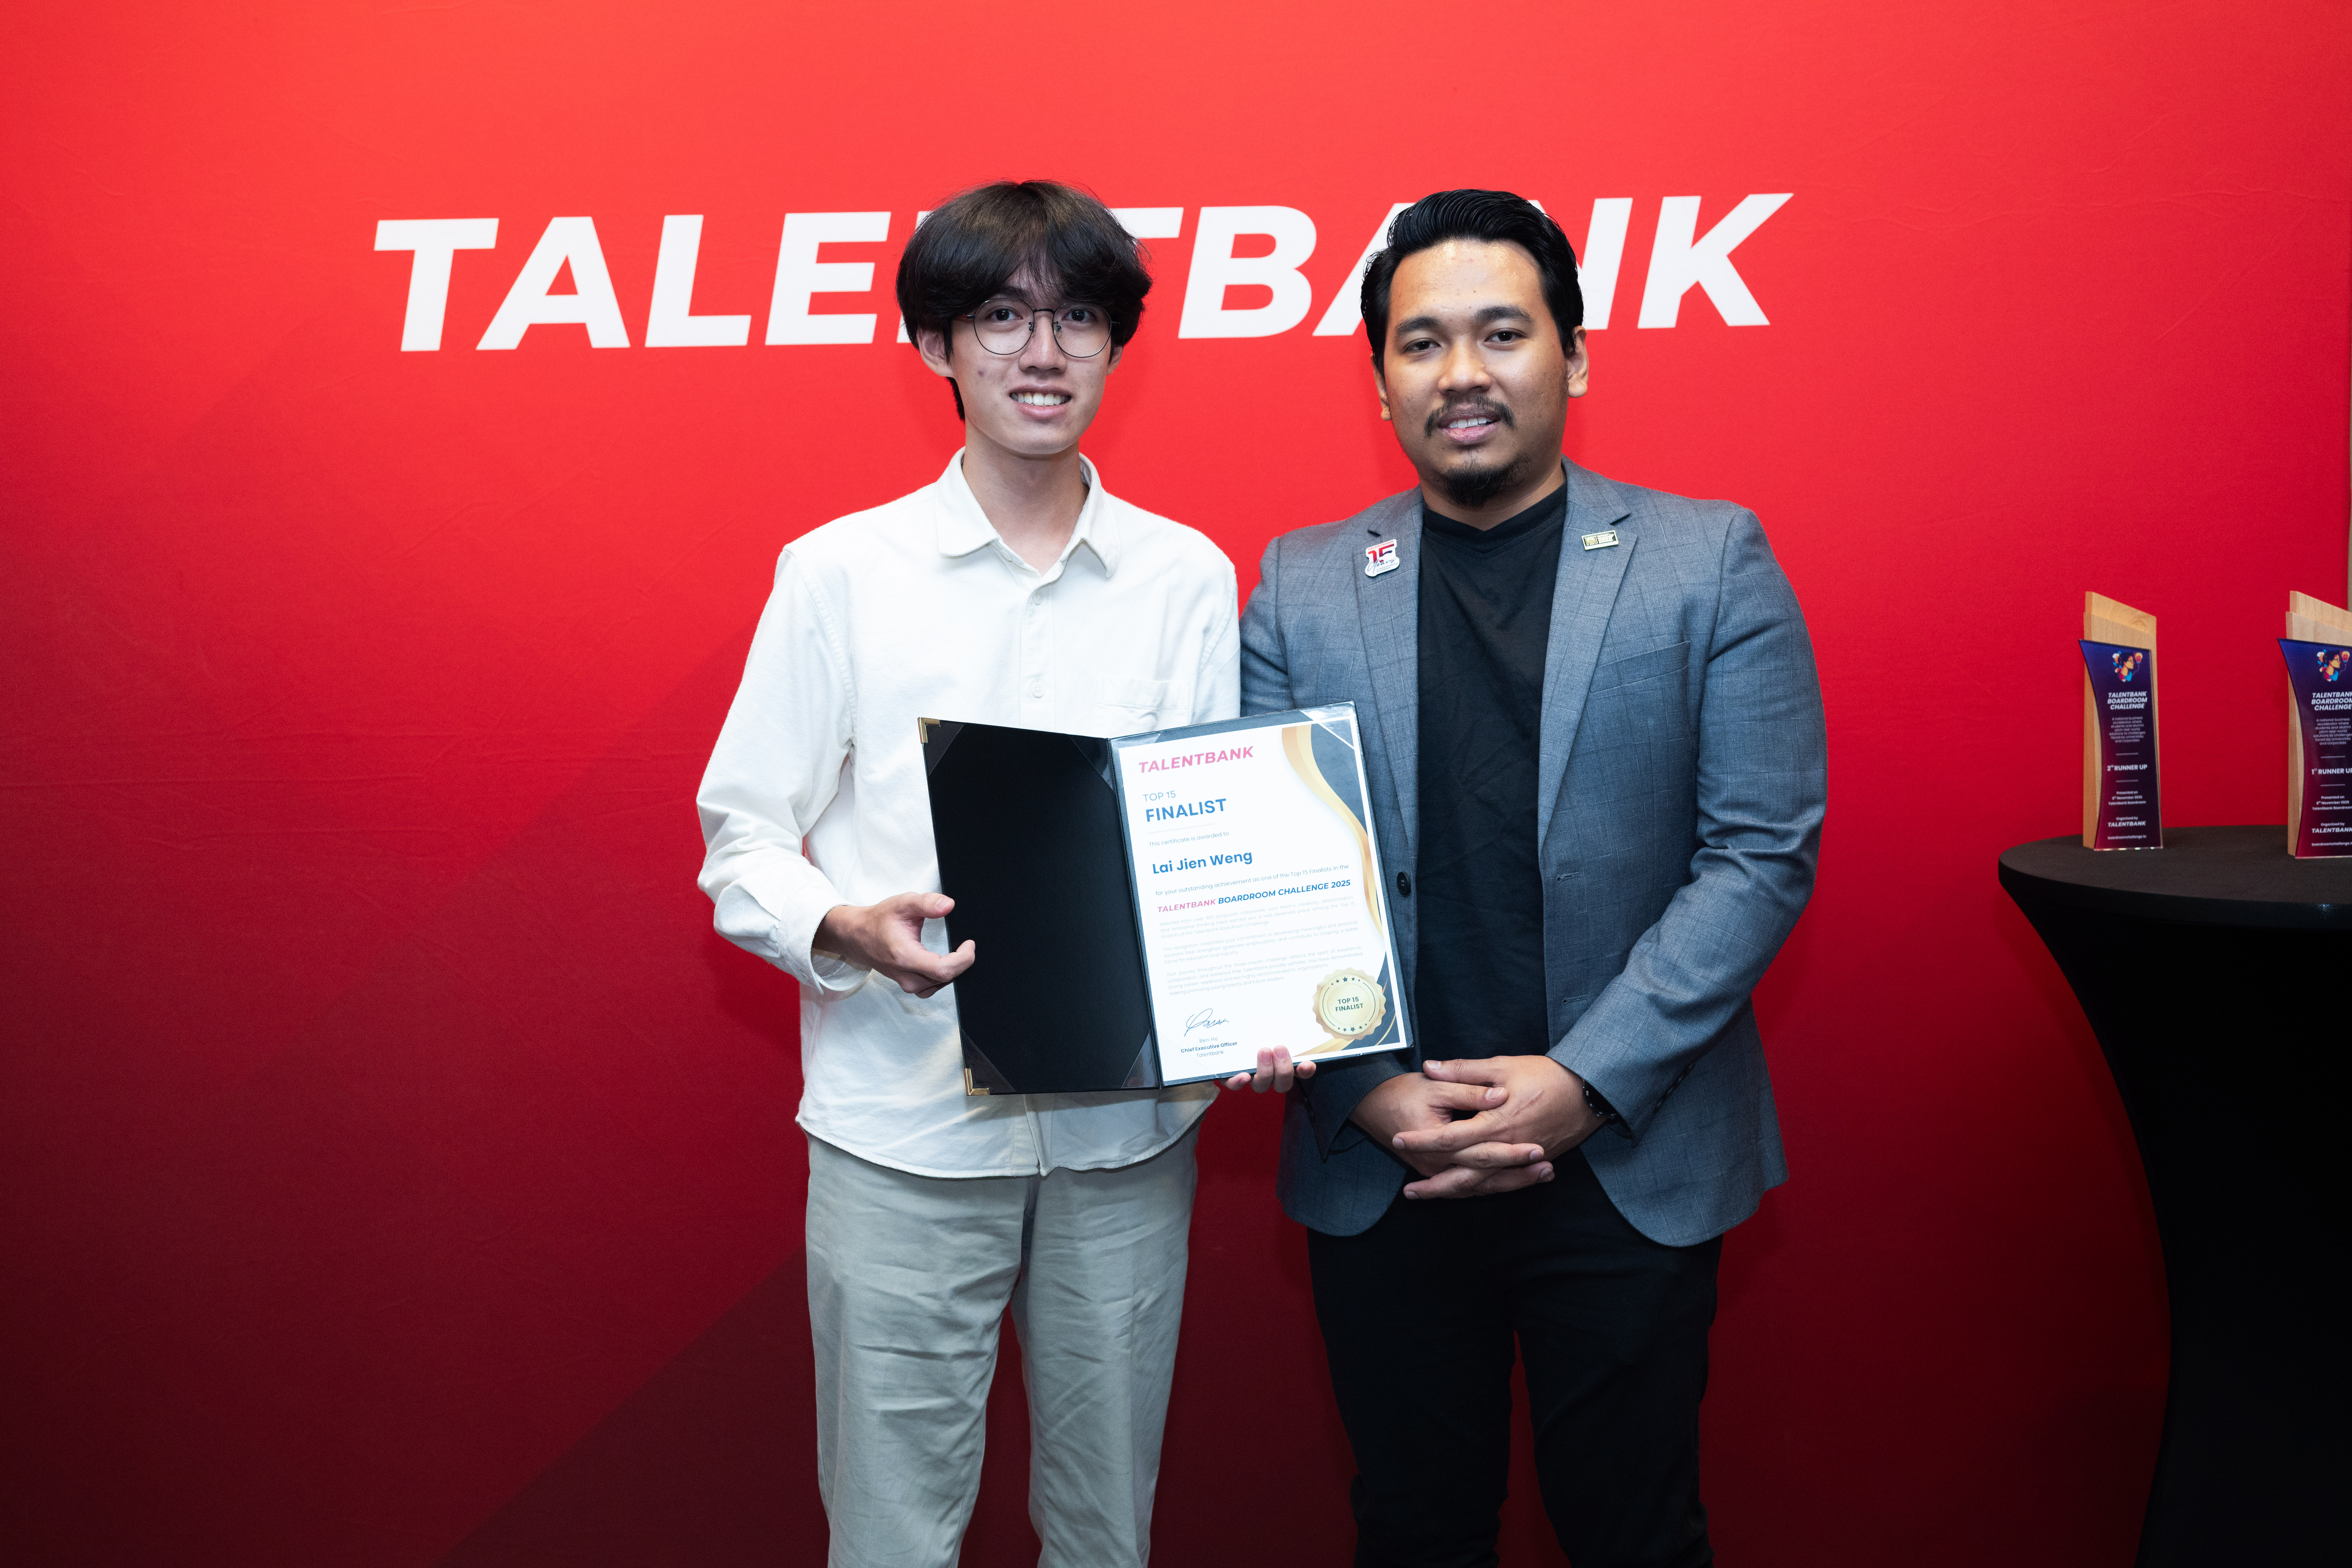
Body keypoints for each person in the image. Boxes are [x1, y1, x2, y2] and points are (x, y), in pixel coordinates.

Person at [695, 179, 1302, 1568]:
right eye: (1002, 318)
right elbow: (741, 837)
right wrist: (844, 924)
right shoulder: (840, 572)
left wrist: (1258, 995)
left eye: (1078, 318)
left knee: (1105, 1533)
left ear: (1115, 344)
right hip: (902, 1134)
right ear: (936, 345)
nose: (1043, 352)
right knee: (892, 1534)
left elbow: (1217, 846)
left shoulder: (1186, 577)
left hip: (1123, 1143)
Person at [1241, 189, 1828, 1567]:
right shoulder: (1299, 583)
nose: (1461, 372)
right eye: (1420, 342)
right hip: (1389, 1158)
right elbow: (1263, 875)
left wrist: (1581, 1082)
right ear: (1379, 379)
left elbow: (1759, 853)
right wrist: (1367, 1090)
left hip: (1622, 1151)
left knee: (1634, 1534)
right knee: (1413, 1530)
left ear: (1575, 356)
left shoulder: (1708, 559)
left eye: (1502, 333)